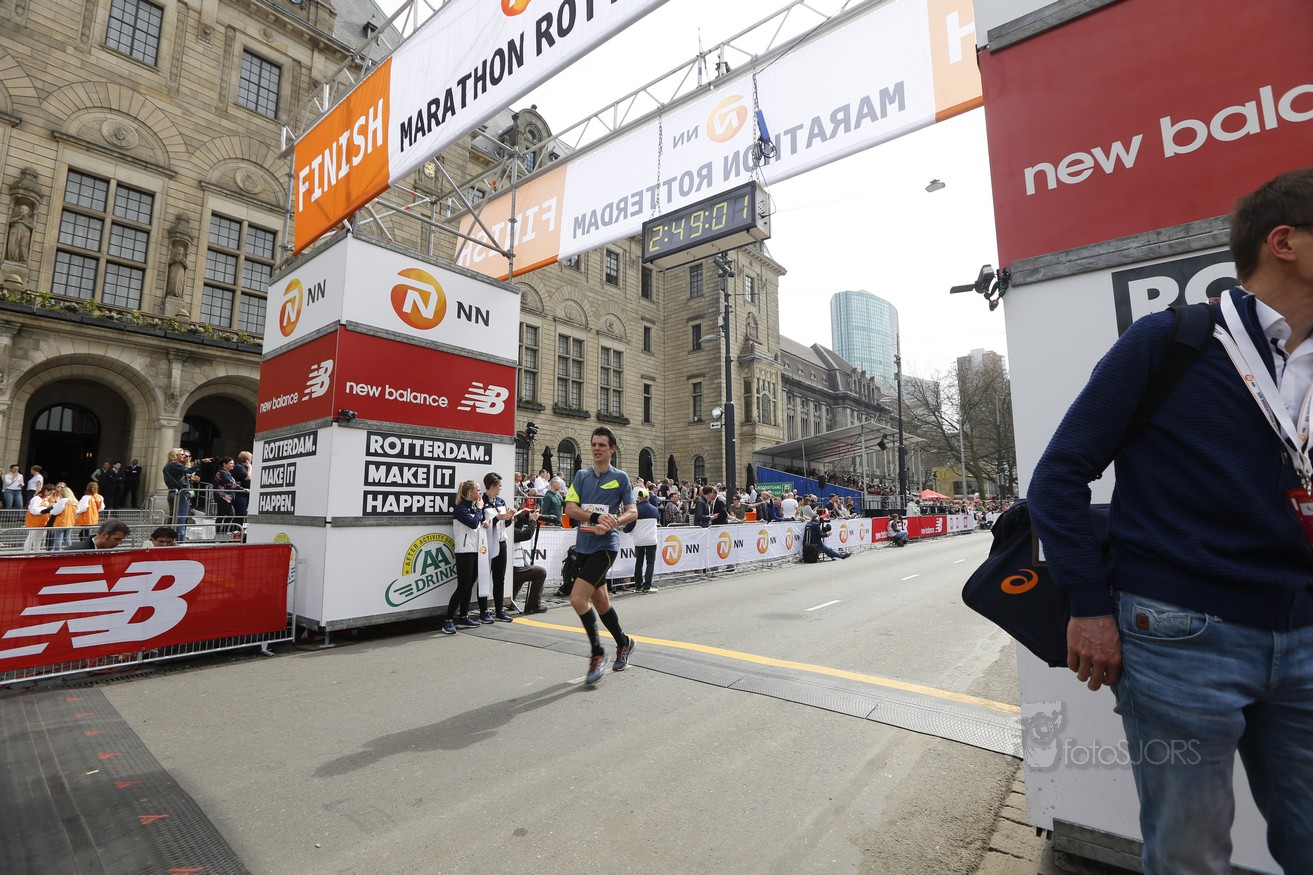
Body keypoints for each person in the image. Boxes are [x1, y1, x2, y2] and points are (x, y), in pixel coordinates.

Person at [1028, 167, 1313, 875]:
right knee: (1189, 855)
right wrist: (1088, 607)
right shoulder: (1171, 340)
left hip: (1305, 632)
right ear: (1284, 242)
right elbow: (1056, 479)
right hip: (1181, 639)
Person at [563, 426, 638, 684]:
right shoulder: (581, 476)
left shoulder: (621, 478)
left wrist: (614, 521)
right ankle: (624, 642)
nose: (596, 449)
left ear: (612, 449)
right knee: (602, 601)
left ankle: (597, 653)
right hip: (583, 546)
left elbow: (633, 511)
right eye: (594, 444)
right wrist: (596, 517)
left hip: (606, 547)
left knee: (577, 599)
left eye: (602, 445)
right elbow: (570, 508)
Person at [442, 480, 487, 635]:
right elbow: (473, 524)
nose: (480, 493)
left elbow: (479, 523)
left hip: (475, 550)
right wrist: (480, 510)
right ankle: (448, 620)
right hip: (464, 552)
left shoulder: (474, 507)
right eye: (478, 490)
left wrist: (485, 522)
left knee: (469, 585)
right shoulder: (460, 509)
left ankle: (463, 616)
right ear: (470, 492)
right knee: (462, 587)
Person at [480, 472, 516, 622]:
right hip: (487, 544)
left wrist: (509, 517)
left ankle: (499, 610)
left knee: (499, 578)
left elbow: (505, 524)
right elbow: (481, 523)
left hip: (501, 542)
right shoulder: (481, 501)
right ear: (492, 486)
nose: (501, 488)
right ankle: (483, 612)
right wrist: (496, 519)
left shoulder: (501, 501)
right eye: (499, 485)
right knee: (484, 577)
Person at [511, 508, 548, 614]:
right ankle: (533, 605)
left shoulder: (506, 528)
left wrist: (522, 516)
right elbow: (526, 535)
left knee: (523, 572)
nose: (515, 519)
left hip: (513, 568)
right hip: (513, 570)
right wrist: (533, 521)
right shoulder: (508, 530)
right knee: (541, 572)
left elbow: (517, 531)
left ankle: (510, 600)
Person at [627, 487, 660, 593]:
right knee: (650, 563)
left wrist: (624, 529)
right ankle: (647, 586)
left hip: (639, 540)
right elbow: (658, 520)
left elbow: (629, 526)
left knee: (639, 562)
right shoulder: (654, 509)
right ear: (647, 498)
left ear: (640, 498)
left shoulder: (636, 510)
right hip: (651, 540)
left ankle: (638, 586)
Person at [23, 484, 59, 551]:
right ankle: (26, 553)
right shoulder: (36, 498)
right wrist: (46, 508)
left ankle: (36, 552)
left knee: (38, 539)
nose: (50, 495)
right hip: (34, 522)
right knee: (31, 538)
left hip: (42, 522)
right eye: (50, 493)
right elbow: (34, 510)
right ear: (46, 490)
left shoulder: (44, 499)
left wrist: (48, 507)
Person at [212, 457, 239, 536]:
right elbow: (231, 484)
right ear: (224, 464)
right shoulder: (222, 473)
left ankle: (223, 532)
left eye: (233, 463)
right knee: (221, 515)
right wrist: (243, 489)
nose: (233, 465)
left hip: (228, 497)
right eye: (231, 463)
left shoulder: (227, 473)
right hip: (223, 497)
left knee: (230, 515)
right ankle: (218, 534)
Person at [51, 485, 78, 550]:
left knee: (58, 539)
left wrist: (51, 511)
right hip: (70, 522)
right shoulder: (75, 501)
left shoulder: (63, 500)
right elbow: (77, 512)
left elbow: (57, 511)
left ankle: (56, 553)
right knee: (67, 538)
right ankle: (70, 551)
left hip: (61, 522)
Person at [232, 452, 252, 523]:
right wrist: (250, 467)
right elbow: (247, 477)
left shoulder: (244, 468)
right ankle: (235, 528)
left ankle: (238, 528)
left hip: (245, 493)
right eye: (250, 458)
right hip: (240, 493)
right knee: (240, 513)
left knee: (242, 514)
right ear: (247, 459)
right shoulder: (239, 467)